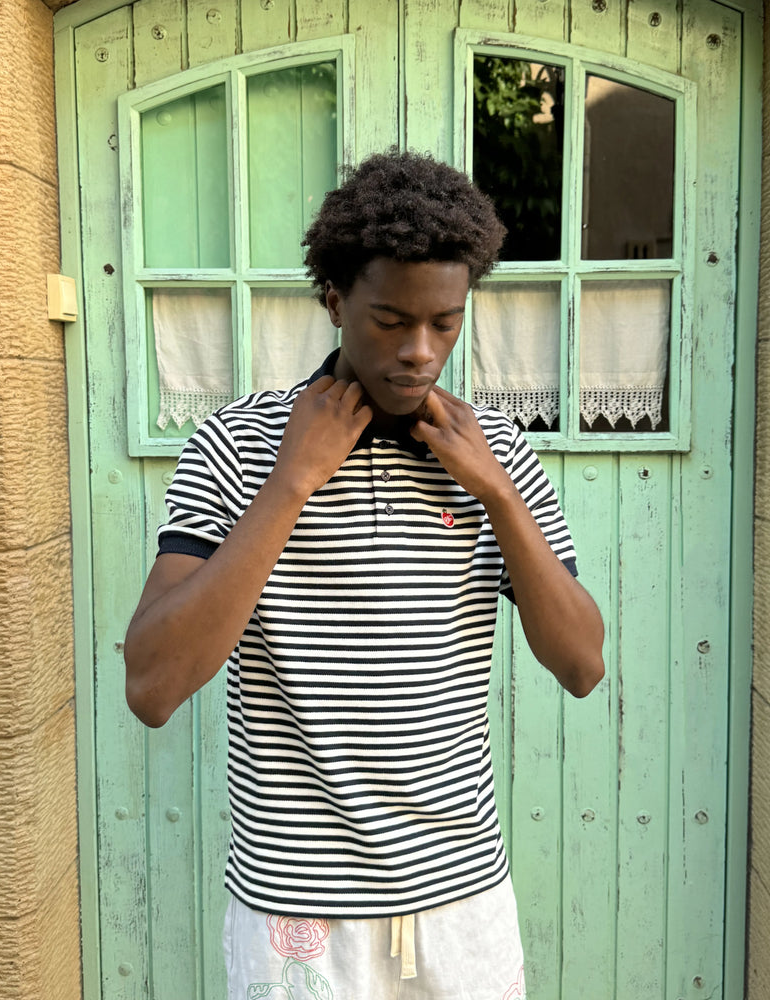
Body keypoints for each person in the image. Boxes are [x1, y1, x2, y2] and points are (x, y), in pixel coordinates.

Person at [124, 150, 605, 1000]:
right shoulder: (237, 445)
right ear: (334, 300)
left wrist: (496, 492)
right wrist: (292, 481)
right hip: (297, 909)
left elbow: (581, 665)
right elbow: (153, 686)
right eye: (390, 320)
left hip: (461, 898)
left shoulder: (493, 449)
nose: (420, 352)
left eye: (445, 324)